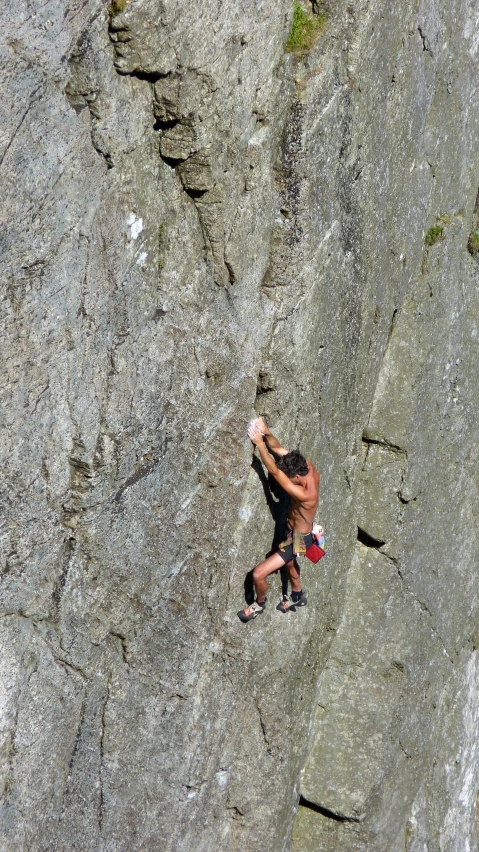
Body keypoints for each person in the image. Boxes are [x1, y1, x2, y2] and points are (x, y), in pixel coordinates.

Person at [238, 418, 320, 622]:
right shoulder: (306, 467)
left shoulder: (306, 495)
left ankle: (259, 604)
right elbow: (279, 449)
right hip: (299, 532)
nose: (287, 476)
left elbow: (275, 472)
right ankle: (298, 595)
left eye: (289, 476)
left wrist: (259, 445)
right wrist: (266, 432)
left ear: (297, 478)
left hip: (299, 538)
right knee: (290, 565)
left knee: (258, 574)